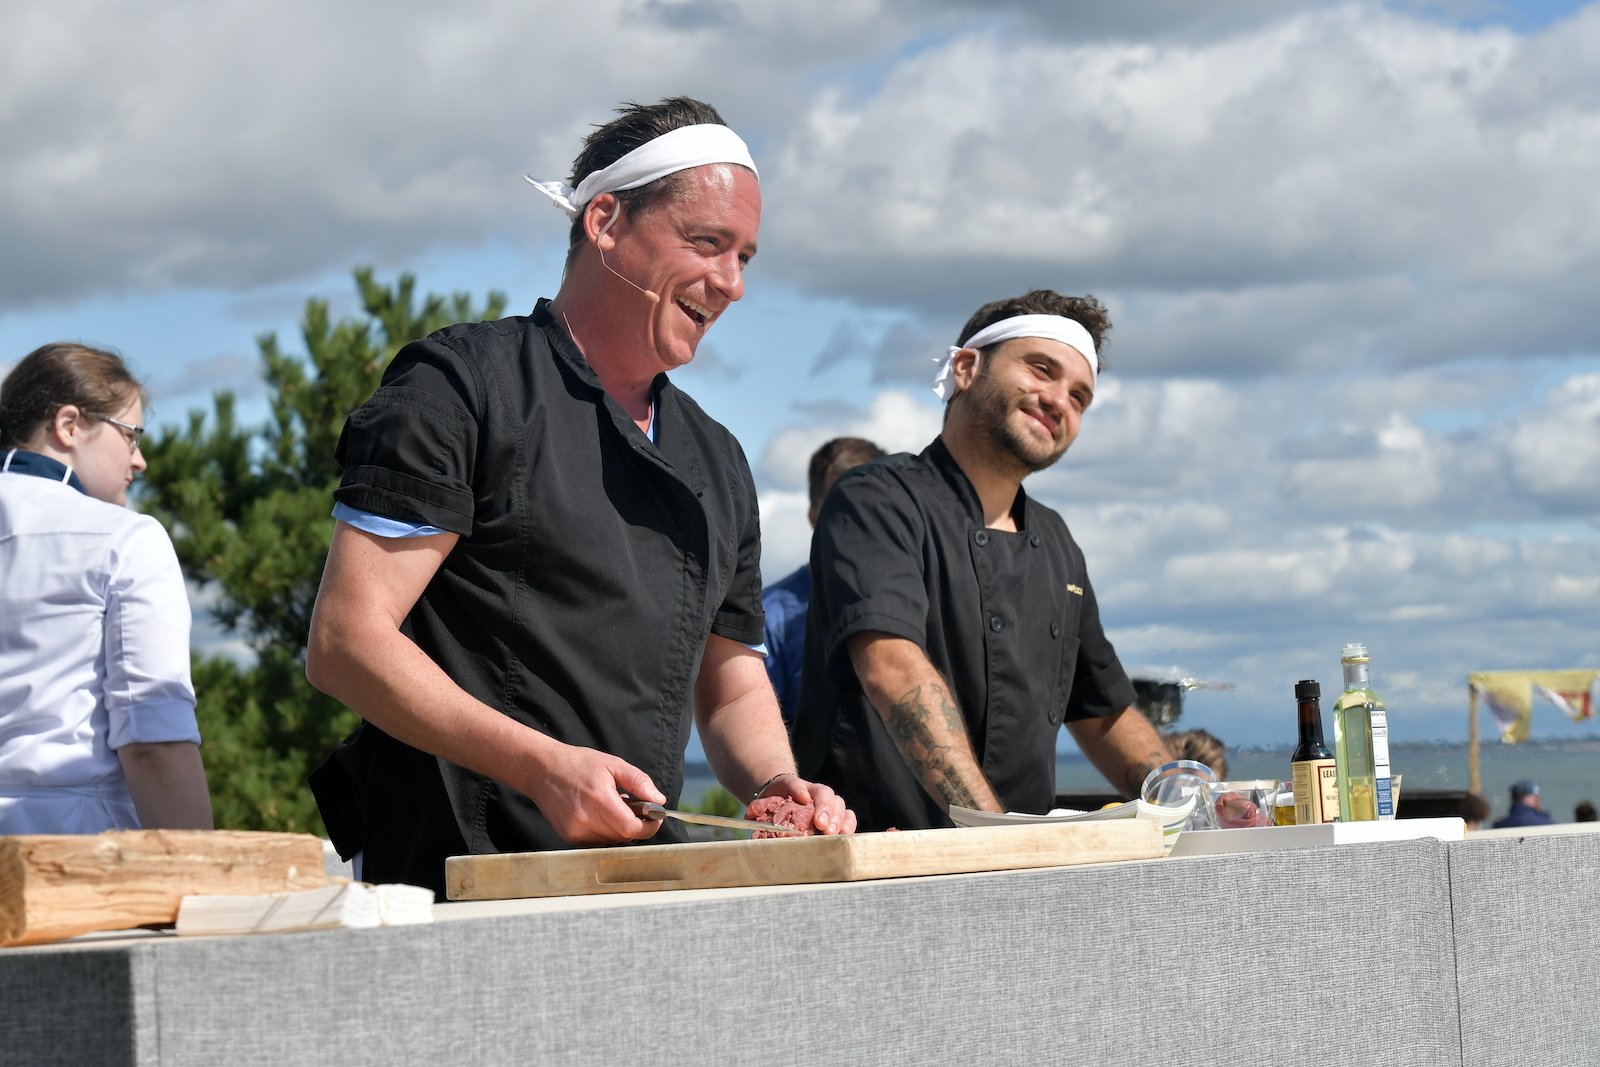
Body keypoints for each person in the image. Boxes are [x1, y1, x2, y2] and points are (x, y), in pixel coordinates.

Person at [306, 97, 854, 895]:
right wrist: (542, 767)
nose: (731, 284)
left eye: (745, 257)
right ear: (604, 221)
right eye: (707, 244)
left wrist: (777, 785)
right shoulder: (460, 389)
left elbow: (731, 679)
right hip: (452, 880)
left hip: (635, 886)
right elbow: (346, 641)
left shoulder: (720, 461)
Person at [792, 289, 1172, 832]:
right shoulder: (875, 499)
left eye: (1080, 397)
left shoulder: (1058, 541)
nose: (1059, 400)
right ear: (967, 368)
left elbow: (1102, 711)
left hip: (1018, 866)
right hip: (880, 857)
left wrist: (1186, 797)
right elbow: (892, 667)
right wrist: (996, 835)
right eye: (1041, 370)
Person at [0, 343, 213, 834]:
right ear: (69, 425)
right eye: (131, 437)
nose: (140, 463)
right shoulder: (125, 538)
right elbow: (153, 741)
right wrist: (200, 878)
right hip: (70, 858)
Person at [762, 437, 886, 725]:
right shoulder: (768, 618)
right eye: (844, 511)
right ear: (814, 517)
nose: (861, 524)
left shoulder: (924, 601)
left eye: (875, 511)